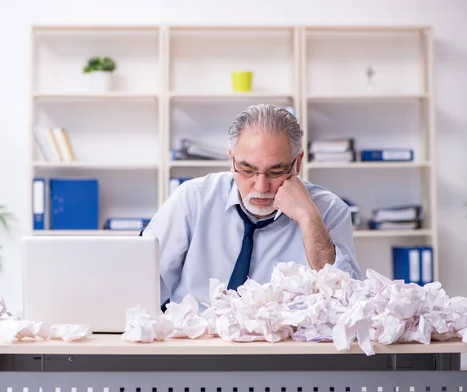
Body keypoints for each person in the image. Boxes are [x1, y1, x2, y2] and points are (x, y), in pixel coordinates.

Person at [142, 104, 361, 311]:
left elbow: (345, 303)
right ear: (231, 160)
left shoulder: (329, 210)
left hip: (283, 346)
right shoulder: (192, 199)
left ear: (298, 163)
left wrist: (308, 218)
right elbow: (140, 284)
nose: (261, 186)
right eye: (247, 170)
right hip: (195, 341)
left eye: (276, 172)